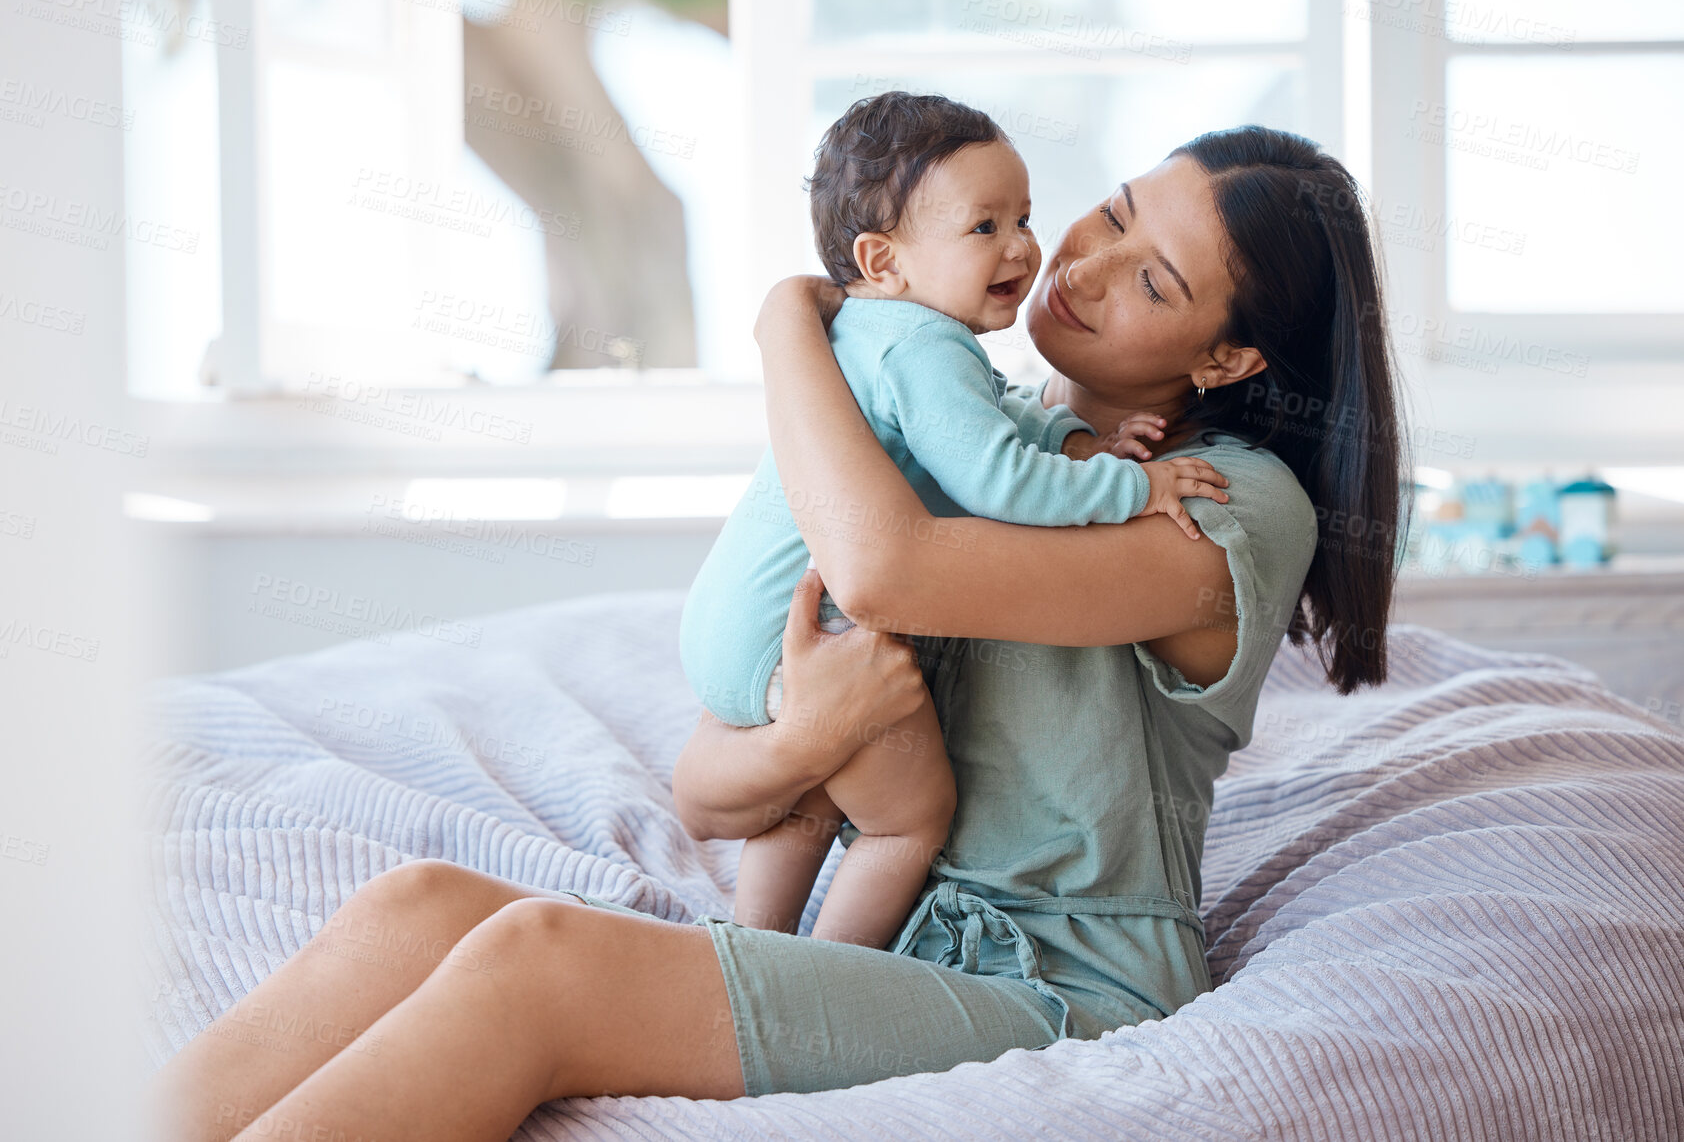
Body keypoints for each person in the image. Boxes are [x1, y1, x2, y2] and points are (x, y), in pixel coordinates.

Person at [148, 125, 1403, 1142]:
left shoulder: (1226, 508)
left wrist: (789, 332)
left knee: (539, 961)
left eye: (1151, 277)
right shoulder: (976, 424)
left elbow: (884, 570)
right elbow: (707, 786)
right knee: (417, 903)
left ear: (1232, 354)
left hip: (1056, 986)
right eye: (1116, 212)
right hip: (886, 932)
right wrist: (813, 728)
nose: (1079, 263)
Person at [677, 91, 1222, 952]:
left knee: (815, 792)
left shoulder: (866, 333)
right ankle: (817, 974)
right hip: (809, 629)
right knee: (908, 817)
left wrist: (1088, 448)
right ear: (882, 260)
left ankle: (751, 941)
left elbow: (992, 428)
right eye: (985, 227)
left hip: (732, 623)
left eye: (1025, 216)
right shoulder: (926, 348)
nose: (1024, 248)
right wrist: (1135, 490)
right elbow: (999, 476)